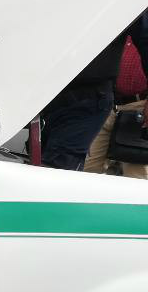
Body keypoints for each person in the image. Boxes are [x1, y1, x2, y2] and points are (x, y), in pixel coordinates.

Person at [41, 12, 148, 169]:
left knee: (135, 171)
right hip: (93, 100)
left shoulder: (129, 6)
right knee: (83, 168)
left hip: (128, 105)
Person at [84, 14, 148, 178]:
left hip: (139, 106)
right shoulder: (116, 21)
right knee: (87, 169)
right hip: (105, 103)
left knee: (136, 172)